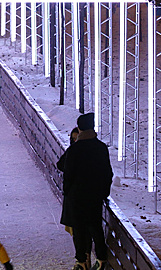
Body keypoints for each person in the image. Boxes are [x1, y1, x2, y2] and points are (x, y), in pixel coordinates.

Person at [57, 113, 113, 270]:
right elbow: (108, 173)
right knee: (95, 226)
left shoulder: (76, 149)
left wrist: (67, 191)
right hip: (94, 196)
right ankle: (102, 259)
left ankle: (81, 262)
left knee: (79, 229)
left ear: (80, 129)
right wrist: (103, 192)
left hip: (77, 196)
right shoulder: (101, 148)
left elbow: (67, 171)